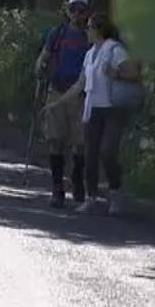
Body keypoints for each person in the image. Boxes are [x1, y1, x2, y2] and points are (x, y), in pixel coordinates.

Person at [43, 12, 142, 216]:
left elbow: (134, 73)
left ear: (98, 30)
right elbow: (80, 85)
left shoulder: (115, 50)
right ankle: (92, 198)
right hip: (93, 109)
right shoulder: (89, 55)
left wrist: (116, 74)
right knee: (90, 156)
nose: (86, 31)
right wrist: (56, 104)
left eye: (89, 27)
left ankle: (115, 195)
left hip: (112, 109)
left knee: (107, 152)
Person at [34, 0, 92, 208]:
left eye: (81, 10)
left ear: (87, 13)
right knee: (55, 140)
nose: (77, 14)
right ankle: (57, 188)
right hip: (56, 91)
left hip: (81, 95)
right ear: (68, 11)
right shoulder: (57, 34)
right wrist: (40, 67)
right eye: (73, 9)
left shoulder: (90, 37)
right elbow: (43, 57)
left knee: (80, 143)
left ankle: (77, 179)